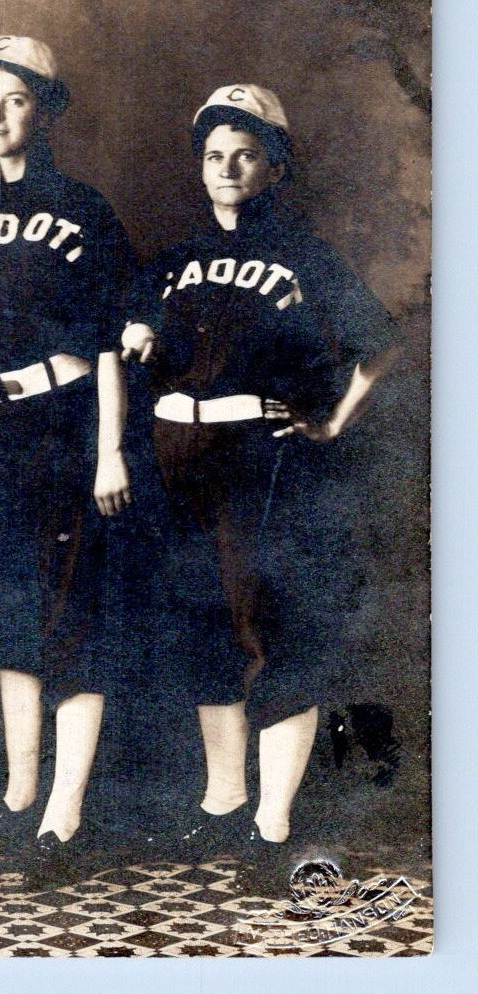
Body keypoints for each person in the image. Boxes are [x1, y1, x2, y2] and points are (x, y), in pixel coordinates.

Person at [121, 83, 401, 894]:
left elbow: (376, 345)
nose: (227, 167)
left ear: (274, 165)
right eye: (213, 154)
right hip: (175, 454)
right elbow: (135, 326)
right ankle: (223, 797)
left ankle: (272, 818)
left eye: (245, 153)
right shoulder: (170, 256)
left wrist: (330, 423)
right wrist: (138, 330)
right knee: (199, 625)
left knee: (270, 628)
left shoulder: (305, 255)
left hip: (258, 456)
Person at [0, 34, 135, 885]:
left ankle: (64, 814)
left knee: (70, 612)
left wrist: (110, 451)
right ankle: (17, 797)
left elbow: (111, 341)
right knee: (6, 615)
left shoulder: (84, 211)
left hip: (66, 422)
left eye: (15, 99)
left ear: (44, 110)